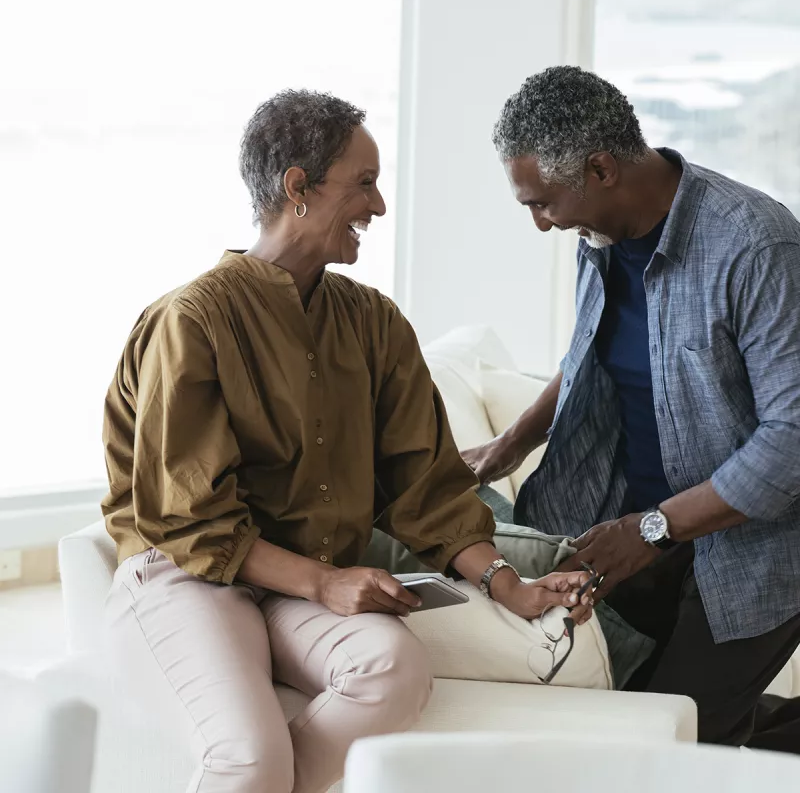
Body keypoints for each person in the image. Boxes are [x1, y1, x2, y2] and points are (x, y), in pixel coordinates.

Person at [102, 89, 592, 793]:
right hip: (186, 575)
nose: (380, 206)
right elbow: (189, 521)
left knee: (394, 669)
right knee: (248, 755)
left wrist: (507, 585)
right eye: (364, 183)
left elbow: (426, 482)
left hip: (297, 585)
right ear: (297, 187)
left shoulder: (373, 322)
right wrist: (326, 583)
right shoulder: (191, 321)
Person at [464, 66, 800, 753]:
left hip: (753, 552)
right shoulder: (601, 238)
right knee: (635, 716)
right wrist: (507, 447)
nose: (539, 224)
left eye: (542, 203)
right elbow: (588, 358)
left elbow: (790, 442)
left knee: (669, 748)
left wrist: (651, 530)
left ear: (600, 168)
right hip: (633, 525)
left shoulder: (757, 244)